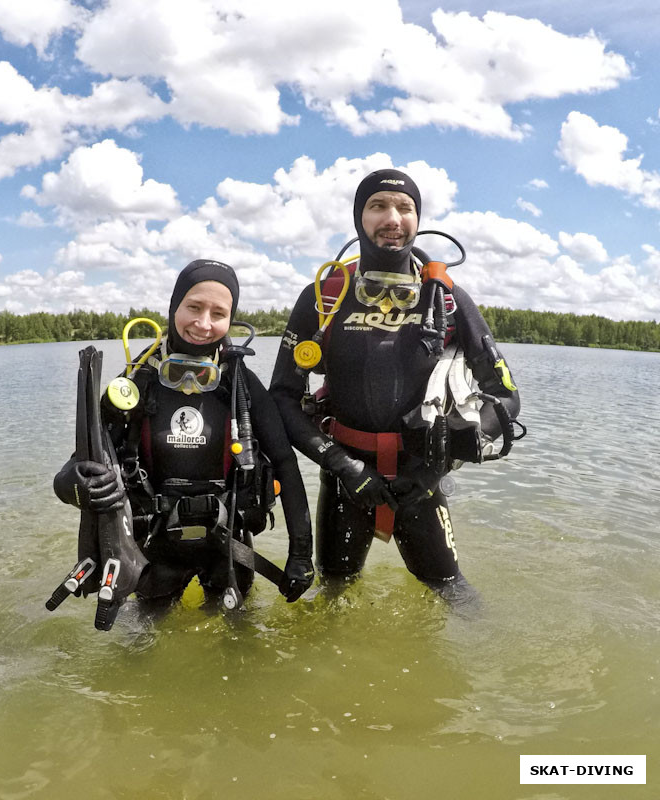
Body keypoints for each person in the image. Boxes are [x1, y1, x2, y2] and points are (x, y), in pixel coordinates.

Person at [269, 169, 522, 601]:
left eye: (405, 208)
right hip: (347, 481)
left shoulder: (446, 297)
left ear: (417, 219)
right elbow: (282, 399)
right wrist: (343, 466)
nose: (393, 217)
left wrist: (434, 470)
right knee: (332, 596)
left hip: (420, 482)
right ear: (358, 218)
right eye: (378, 206)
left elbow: (505, 398)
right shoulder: (325, 295)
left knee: (455, 596)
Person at [53, 259, 314, 608]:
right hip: (153, 551)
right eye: (193, 307)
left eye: (218, 313)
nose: (204, 324)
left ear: (231, 319)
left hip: (229, 550)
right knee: (144, 646)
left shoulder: (242, 386)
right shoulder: (135, 384)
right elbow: (74, 471)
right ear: (175, 306)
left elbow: (285, 462)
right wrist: (78, 484)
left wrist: (301, 553)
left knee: (241, 649)